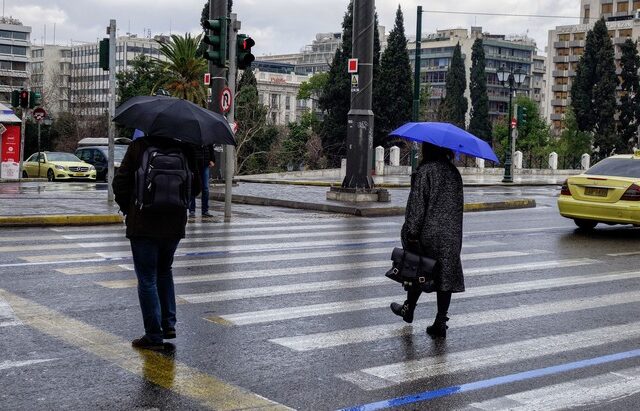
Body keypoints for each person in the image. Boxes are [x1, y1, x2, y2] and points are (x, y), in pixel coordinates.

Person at [113, 136, 200, 351]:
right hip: (174, 225)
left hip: (143, 223)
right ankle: (168, 324)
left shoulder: (139, 146)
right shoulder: (185, 148)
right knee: (164, 271)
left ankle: (153, 335)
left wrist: (128, 209)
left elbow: (120, 183)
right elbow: (195, 186)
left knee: (147, 279)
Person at [390, 142, 465, 338]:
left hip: (428, 233)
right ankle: (440, 321)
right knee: (444, 277)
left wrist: (411, 232)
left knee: (418, 270)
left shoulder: (425, 171)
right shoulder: (454, 173)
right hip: (451, 236)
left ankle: (409, 309)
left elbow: (417, 206)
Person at [189, 144, 215, 218]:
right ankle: (192, 210)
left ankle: (205, 210)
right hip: (194, 164)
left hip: (205, 163)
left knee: (205, 188)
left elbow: (210, 147)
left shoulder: (207, 135)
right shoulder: (192, 136)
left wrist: (212, 159)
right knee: (193, 186)